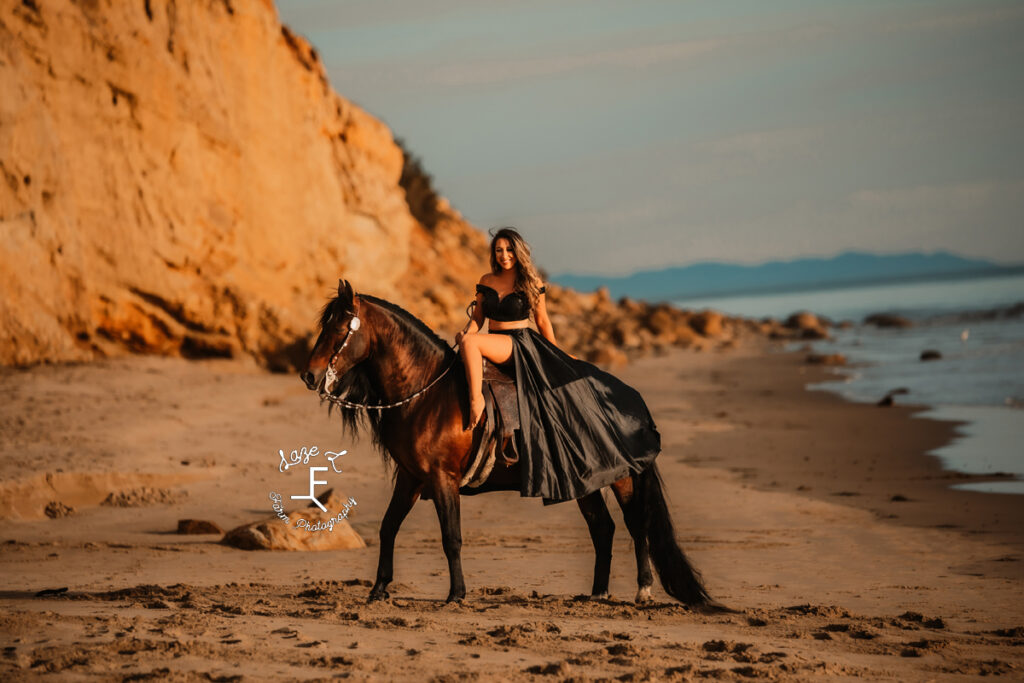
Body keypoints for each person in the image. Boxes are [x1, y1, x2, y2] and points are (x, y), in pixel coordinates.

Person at [455, 227, 661, 503]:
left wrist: (557, 354)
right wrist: (466, 331)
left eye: (509, 249)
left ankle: (475, 401)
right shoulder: (486, 280)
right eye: (499, 250)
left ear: (518, 252)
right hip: (495, 340)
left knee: (471, 345)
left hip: (519, 344)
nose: (504, 255)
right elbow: (477, 319)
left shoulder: (530, 281)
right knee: (466, 344)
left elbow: (542, 321)